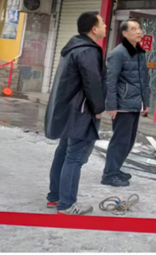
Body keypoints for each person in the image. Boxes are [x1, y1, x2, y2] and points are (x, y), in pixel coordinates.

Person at [45, 11, 107, 215]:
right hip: (81, 112)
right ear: (94, 29)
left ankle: (55, 197)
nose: (106, 26)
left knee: (64, 152)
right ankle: (67, 204)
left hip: (68, 110)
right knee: (74, 157)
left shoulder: (73, 47)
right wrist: (98, 108)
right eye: (102, 23)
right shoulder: (88, 51)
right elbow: (92, 83)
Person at [102, 18, 150, 187]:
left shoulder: (139, 52)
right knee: (120, 140)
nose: (139, 31)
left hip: (135, 103)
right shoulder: (118, 53)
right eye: (134, 29)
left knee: (128, 141)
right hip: (123, 104)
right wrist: (111, 105)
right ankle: (109, 175)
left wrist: (146, 102)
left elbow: (144, 80)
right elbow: (111, 81)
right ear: (124, 33)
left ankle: (115, 169)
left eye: (139, 28)